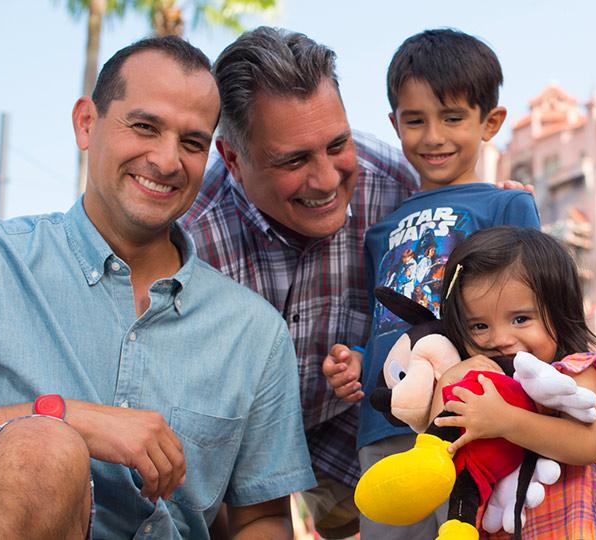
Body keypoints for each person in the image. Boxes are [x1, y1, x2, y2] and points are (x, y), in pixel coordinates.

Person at [0, 36, 315, 539]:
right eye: (144, 126)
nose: (167, 162)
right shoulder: (1, 261)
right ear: (86, 123)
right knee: (43, 447)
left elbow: (262, 517)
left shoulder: (255, 333)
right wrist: (69, 418)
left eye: (191, 143)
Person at [178, 27, 420, 539]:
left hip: (351, 420)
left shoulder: (398, 188)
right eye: (293, 160)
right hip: (231, 439)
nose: (328, 180)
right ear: (234, 158)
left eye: (337, 145)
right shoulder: (189, 235)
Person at [323, 28, 541, 538]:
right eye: (415, 120)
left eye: (453, 117)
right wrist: (359, 360)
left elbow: (532, 313)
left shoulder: (508, 205)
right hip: (386, 421)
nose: (433, 136)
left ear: (491, 122)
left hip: (473, 420)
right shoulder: (380, 231)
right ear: (394, 123)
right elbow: (387, 323)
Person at [428, 226, 596, 538]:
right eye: (479, 326)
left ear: (560, 312)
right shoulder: (481, 383)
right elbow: (437, 448)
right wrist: (449, 380)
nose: (499, 339)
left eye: (521, 319)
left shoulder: (576, 371)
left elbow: (587, 445)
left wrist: (504, 420)